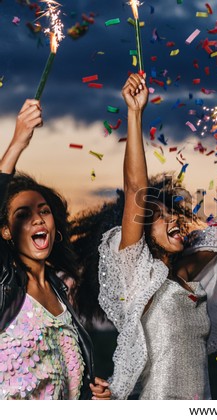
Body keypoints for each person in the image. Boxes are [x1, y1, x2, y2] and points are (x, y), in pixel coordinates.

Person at [96, 74, 217, 399]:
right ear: (141, 231)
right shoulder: (135, 275)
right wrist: (134, 115)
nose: (173, 219)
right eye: (159, 217)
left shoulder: (188, 274)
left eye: (175, 213)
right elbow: (137, 189)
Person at [0, 99, 110, 399]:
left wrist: (92, 393)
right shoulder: (4, 283)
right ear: (6, 232)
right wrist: (17, 142)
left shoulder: (60, 289)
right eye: (22, 214)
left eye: (44, 210)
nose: (37, 217)